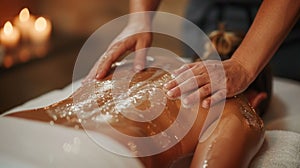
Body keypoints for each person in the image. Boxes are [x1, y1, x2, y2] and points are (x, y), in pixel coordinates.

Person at [6, 30, 272, 167]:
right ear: (258, 99)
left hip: (11, 130)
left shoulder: (141, 62)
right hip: (87, 158)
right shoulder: (238, 109)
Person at [84, 0, 299, 108]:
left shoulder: (233, 116)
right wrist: (139, 18)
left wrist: (243, 65)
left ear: (256, 101)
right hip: (207, 11)